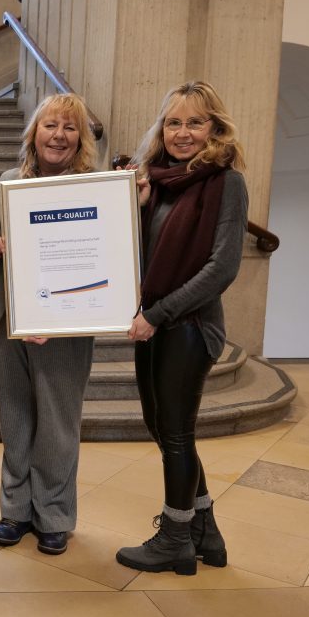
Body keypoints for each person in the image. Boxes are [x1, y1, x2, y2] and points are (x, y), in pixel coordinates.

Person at [116, 81, 247, 575]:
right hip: (158, 320)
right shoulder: (159, 181)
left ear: (214, 127)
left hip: (190, 325)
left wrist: (157, 313)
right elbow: (140, 253)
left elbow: (222, 269)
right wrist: (140, 202)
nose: (183, 132)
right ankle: (205, 532)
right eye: (174, 122)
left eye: (194, 122)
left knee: (175, 432)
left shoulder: (225, 183)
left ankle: (175, 538)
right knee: (164, 428)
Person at [0, 94, 98, 556]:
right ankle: (15, 511)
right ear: (34, 133)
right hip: (9, 315)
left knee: (58, 420)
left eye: (69, 127)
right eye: (50, 126)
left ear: (80, 138)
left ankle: (54, 515)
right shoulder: (9, 181)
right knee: (16, 414)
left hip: (66, 321)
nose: (58, 135)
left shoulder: (93, 186)